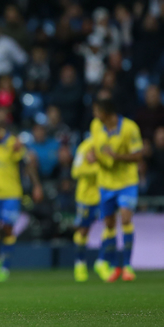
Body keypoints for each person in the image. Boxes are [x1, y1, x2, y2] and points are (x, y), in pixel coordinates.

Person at [90, 99, 142, 283]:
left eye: (97, 111)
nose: (94, 115)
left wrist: (117, 156)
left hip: (127, 182)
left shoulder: (129, 128)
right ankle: (111, 265)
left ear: (106, 113)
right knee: (109, 224)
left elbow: (138, 155)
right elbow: (94, 147)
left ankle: (128, 265)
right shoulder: (96, 126)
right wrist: (92, 156)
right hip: (105, 183)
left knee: (126, 218)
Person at [0, 123, 42, 282]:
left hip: (11, 194)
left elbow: (28, 162)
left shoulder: (12, 144)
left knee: (8, 229)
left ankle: (5, 266)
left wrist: (36, 185)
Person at [71, 137, 100, 282]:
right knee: (83, 230)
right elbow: (75, 171)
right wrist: (96, 167)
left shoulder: (109, 144)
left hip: (105, 193)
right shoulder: (84, 147)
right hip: (86, 197)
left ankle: (104, 262)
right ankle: (79, 263)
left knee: (111, 224)